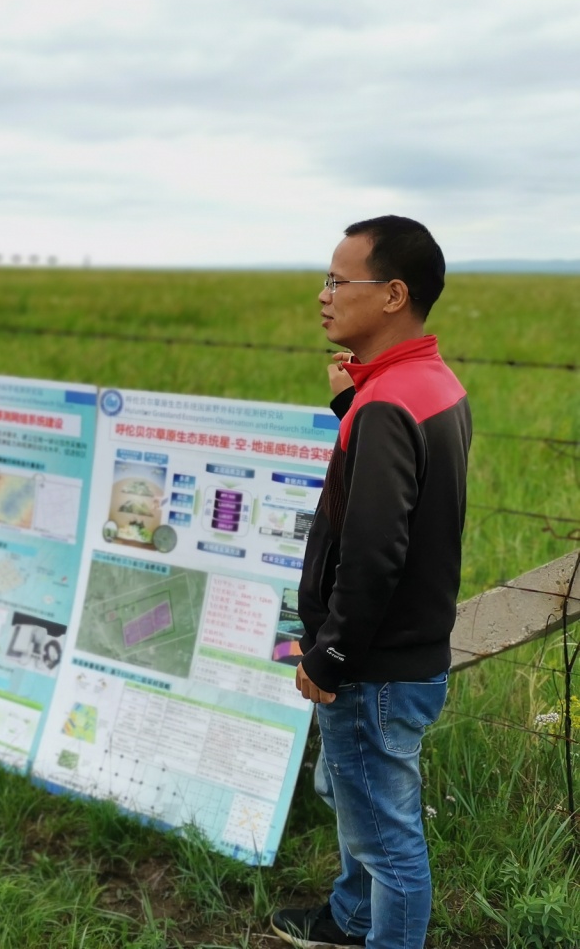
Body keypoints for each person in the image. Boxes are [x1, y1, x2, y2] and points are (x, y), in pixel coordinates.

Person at [272, 216, 472, 949]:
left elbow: (373, 553)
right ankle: (351, 919)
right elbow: (404, 490)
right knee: (356, 797)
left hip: (372, 664)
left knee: (388, 840)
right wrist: (348, 406)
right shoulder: (428, 383)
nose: (323, 294)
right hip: (405, 654)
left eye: (338, 279)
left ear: (392, 294)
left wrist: (330, 656)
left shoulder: (385, 403)